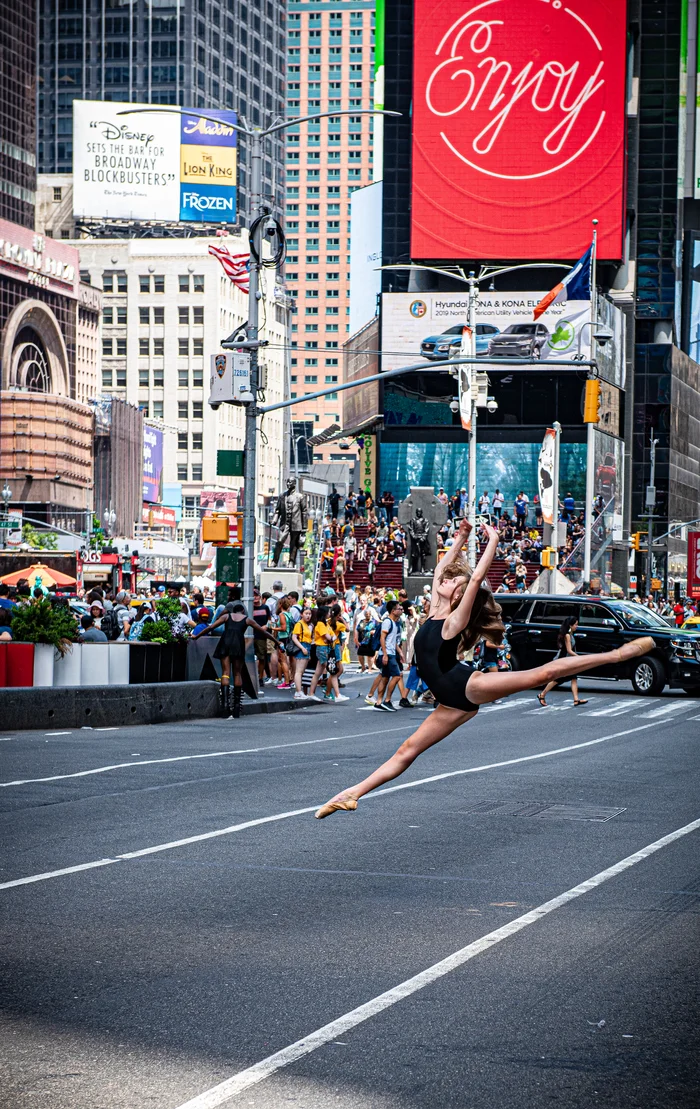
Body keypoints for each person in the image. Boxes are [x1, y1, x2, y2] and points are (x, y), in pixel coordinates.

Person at [315, 519, 655, 818]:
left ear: (459, 594)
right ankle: (351, 795)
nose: (443, 581)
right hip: (449, 702)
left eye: (451, 583)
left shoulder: (452, 619)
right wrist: (461, 537)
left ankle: (618, 655)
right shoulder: (435, 606)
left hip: (464, 686)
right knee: (407, 750)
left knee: (542, 674)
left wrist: (492, 540)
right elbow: (440, 569)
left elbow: (475, 578)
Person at [193, 602, 281, 717]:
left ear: (233, 611)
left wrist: (197, 636)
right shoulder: (247, 620)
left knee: (225, 672)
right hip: (238, 645)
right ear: (243, 611)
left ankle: (225, 705)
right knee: (237, 673)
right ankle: (236, 707)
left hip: (225, 643)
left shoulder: (226, 617)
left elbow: (211, 627)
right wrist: (277, 641)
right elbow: (262, 631)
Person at [537, 616, 588, 707]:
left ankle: (576, 700)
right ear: (570, 625)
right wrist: (579, 658)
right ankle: (542, 694)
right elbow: (569, 650)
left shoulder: (570, 634)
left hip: (569, 660)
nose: (577, 626)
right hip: (564, 660)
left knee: (573, 678)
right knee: (558, 679)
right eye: (575, 624)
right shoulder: (567, 636)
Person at [291, 607, 314, 699]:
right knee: (299, 672)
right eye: (306, 613)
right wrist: (302, 647)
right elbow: (294, 637)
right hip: (302, 647)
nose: (308, 616)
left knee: (301, 671)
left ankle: (298, 691)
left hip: (306, 647)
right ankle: (298, 691)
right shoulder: (299, 624)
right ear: (301, 614)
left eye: (309, 614)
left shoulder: (306, 624)